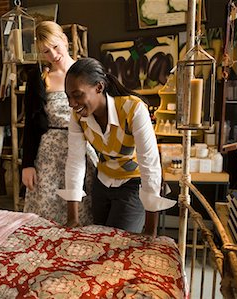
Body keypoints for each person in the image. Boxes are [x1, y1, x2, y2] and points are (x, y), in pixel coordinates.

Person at [59, 57, 176, 236]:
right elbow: (75, 160)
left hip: (133, 185)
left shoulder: (133, 109)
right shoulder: (78, 116)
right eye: (68, 96)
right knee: (99, 241)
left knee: (118, 246)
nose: (71, 103)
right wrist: (72, 219)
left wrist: (151, 232)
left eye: (77, 95)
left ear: (99, 87)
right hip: (102, 182)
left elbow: (149, 164)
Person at [22, 21, 94, 226]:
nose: (53, 55)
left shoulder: (87, 71)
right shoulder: (39, 77)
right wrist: (27, 164)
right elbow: (31, 122)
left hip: (81, 149)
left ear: (65, 40)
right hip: (48, 155)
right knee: (45, 212)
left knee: (83, 208)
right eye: (45, 51)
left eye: (55, 46)